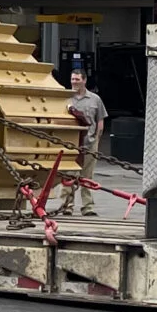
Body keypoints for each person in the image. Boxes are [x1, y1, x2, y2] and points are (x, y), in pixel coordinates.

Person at [58, 65, 108, 217]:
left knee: (87, 177)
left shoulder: (95, 99)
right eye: (72, 79)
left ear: (84, 81)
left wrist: (97, 139)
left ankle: (88, 207)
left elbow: (99, 120)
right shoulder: (65, 98)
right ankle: (66, 206)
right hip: (70, 145)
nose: (74, 82)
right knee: (68, 176)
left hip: (89, 143)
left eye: (77, 80)